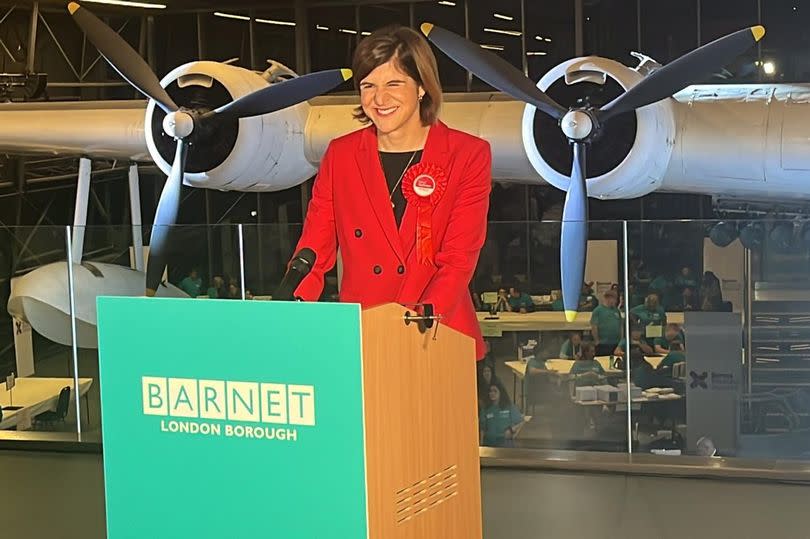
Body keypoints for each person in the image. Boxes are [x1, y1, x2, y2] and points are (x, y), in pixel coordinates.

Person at [290, 25, 492, 360]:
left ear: (422, 87)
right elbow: (314, 248)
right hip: (364, 334)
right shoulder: (340, 155)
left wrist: (417, 318)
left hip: (436, 333)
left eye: (393, 83)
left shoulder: (468, 154)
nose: (378, 99)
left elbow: (458, 259)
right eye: (368, 85)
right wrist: (293, 306)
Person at [479, 383, 524, 447]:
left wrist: (511, 430)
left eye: (495, 391)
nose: (492, 393)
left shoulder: (509, 406)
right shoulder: (485, 409)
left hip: (505, 442)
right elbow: (482, 428)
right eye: (490, 391)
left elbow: (521, 422)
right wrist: (481, 444)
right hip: (489, 443)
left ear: (501, 392)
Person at [590, 289, 622, 356]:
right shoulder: (598, 310)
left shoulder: (616, 311)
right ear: (608, 298)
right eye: (614, 299)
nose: (616, 301)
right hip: (603, 343)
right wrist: (596, 340)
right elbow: (594, 326)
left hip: (616, 343)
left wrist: (621, 340)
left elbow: (620, 325)